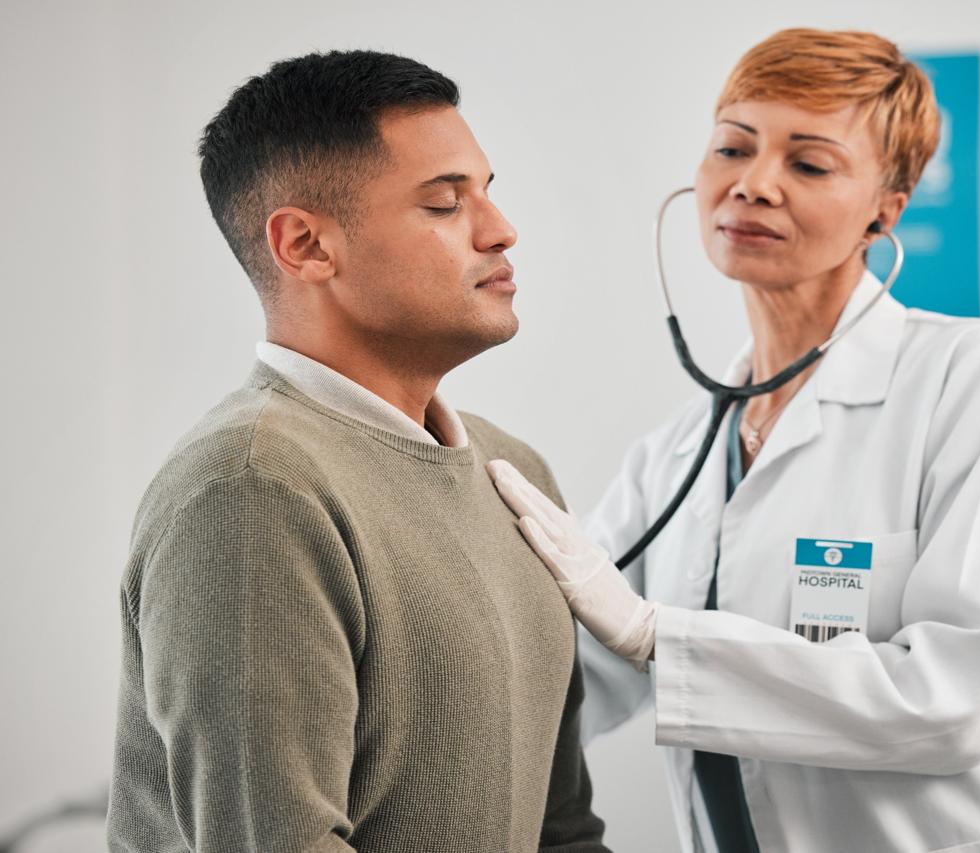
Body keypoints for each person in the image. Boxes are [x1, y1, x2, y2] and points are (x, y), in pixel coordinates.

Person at [488, 28, 980, 852]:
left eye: (810, 164)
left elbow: (959, 699)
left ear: (886, 208)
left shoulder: (976, 381)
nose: (754, 184)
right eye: (732, 148)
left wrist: (658, 637)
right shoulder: (673, 457)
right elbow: (563, 680)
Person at [107, 50, 607, 853]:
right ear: (305, 245)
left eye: (487, 191)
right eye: (445, 203)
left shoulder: (514, 474)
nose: (500, 229)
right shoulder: (251, 487)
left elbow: (562, 830)